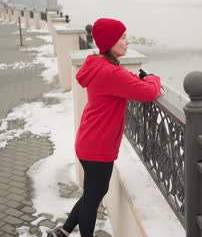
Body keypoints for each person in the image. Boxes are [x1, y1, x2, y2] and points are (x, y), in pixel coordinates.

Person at [48, 18, 162, 237]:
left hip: (91, 140)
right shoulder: (110, 72)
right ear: (110, 42)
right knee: (93, 197)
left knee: (93, 192)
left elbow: (129, 81)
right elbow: (148, 93)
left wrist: (145, 80)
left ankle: (63, 232)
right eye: (123, 37)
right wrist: (154, 78)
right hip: (97, 145)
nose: (127, 42)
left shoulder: (101, 65)